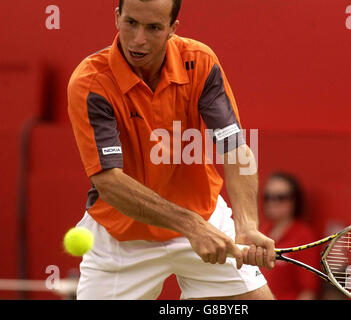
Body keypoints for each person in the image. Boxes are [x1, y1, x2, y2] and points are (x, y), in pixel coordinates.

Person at [67, 0, 276, 300]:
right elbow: (109, 182)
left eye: (153, 28)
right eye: (131, 23)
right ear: (117, 17)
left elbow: (234, 147)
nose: (139, 40)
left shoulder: (199, 61)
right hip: (122, 238)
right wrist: (190, 225)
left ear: (172, 29)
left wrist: (247, 226)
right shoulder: (91, 82)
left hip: (203, 217)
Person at [260, 172, 320, 300]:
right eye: (268, 197)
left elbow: (308, 291)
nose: (273, 202)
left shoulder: (303, 236)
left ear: (295, 200)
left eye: (281, 197)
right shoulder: (261, 231)